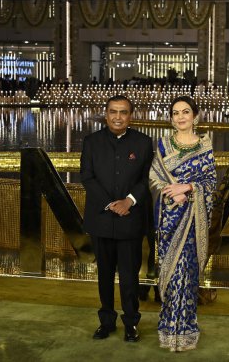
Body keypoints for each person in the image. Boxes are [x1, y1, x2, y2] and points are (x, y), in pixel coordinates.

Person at [80, 95, 154, 342]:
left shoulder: (143, 143)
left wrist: (130, 200)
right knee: (104, 276)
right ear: (106, 113)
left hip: (130, 220)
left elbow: (147, 179)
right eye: (113, 111)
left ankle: (131, 323)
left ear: (130, 116)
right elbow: (87, 177)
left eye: (123, 112)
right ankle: (106, 322)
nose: (118, 117)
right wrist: (112, 204)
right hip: (101, 219)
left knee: (129, 277)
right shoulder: (91, 142)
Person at [149, 95, 217, 352]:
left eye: (185, 112)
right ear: (171, 118)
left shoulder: (205, 145)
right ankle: (168, 330)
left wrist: (188, 188)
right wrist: (172, 191)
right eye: (175, 113)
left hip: (193, 220)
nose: (180, 117)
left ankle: (186, 331)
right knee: (171, 272)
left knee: (187, 275)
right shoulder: (164, 145)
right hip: (170, 218)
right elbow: (155, 176)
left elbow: (210, 183)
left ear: (195, 116)